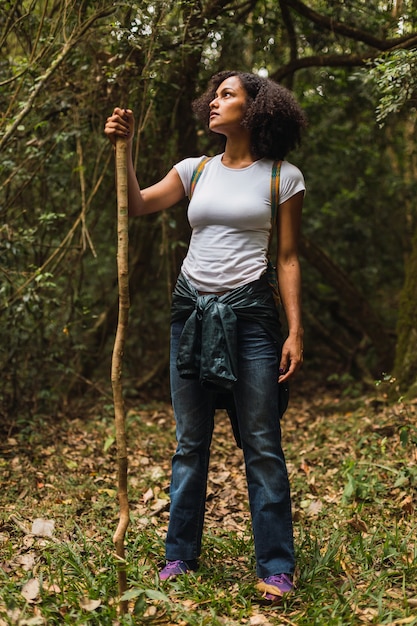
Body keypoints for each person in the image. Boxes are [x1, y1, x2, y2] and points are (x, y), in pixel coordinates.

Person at [104, 70, 306, 603]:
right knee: (190, 443)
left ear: (255, 108)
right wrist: (123, 151)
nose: (213, 103)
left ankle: (277, 567)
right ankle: (178, 557)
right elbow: (138, 204)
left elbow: (286, 257)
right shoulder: (194, 170)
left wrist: (295, 330)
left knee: (262, 443)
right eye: (214, 95)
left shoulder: (281, 177)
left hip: (253, 319)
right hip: (190, 312)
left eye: (226, 95)